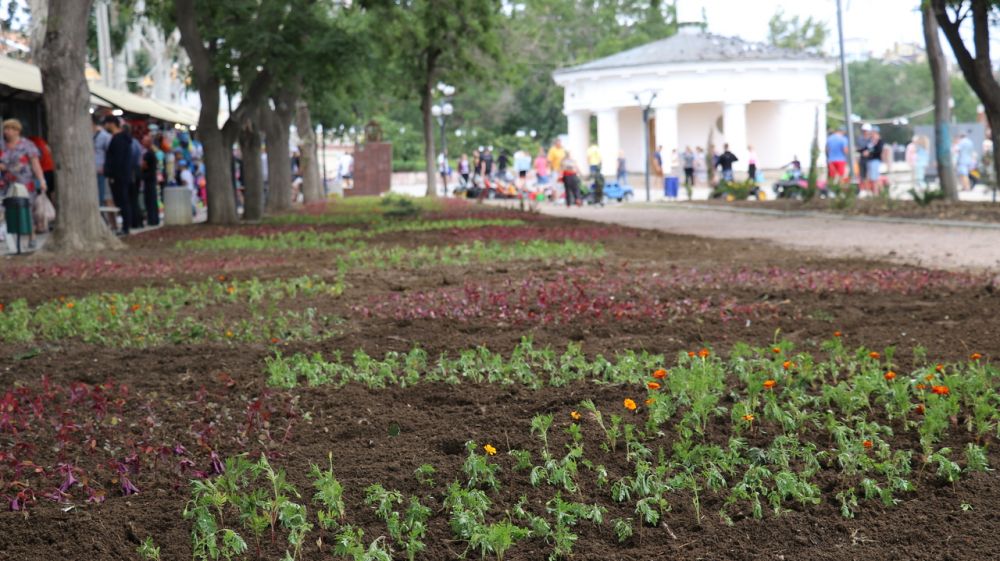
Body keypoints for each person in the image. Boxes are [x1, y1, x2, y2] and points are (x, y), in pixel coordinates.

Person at [1, 119, 48, 247]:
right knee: (6, 209)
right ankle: (12, 239)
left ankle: (31, 236)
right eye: (6, 129)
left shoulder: (27, 145)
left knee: (26, 210)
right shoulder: (2, 145)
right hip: (6, 183)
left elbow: (35, 164)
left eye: (11, 129)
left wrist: (41, 180)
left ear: (17, 131)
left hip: (25, 183)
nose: (7, 131)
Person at [103, 116, 134, 235]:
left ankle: (125, 227)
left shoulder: (118, 140)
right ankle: (126, 226)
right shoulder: (123, 139)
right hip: (123, 175)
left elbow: (117, 159)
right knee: (123, 201)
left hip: (119, 176)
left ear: (111, 124)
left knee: (123, 201)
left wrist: (112, 175)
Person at [27, 134, 55, 212]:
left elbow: (36, 159)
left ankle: (44, 211)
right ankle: (51, 209)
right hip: (50, 169)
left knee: (39, 191)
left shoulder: (30, 144)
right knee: (50, 191)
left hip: (41, 172)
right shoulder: (41, 141)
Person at [141, 134, 160, 227]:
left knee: (149, 201)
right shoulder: (152, 153)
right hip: (151, 179)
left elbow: (143, 166)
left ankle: (152, 220)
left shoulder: (148, 154)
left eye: (144, 141)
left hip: (149, 180)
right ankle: (154, 219)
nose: (142, 142)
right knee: (152, 200)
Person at [861, 127, 884, 193]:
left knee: (875, 178)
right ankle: (875, 192)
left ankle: (877, 192)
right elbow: (866, 148)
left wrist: (869, 152)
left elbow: (878, 150)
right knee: (871, 178)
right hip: (870, 160)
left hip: (875, 160)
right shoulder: (870, 141)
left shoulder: (879, 141)